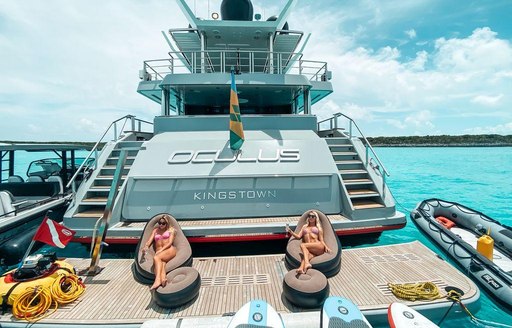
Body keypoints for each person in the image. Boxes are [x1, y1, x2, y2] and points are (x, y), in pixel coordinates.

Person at [141, 214, 177, 290]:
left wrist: (161, 250)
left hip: (169, 250)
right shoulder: (155, 231)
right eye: (159, 223)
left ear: (167, 223)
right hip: (161, 253)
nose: (161, 225)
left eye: (163, 223)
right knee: (162, 263)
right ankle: (163, 279)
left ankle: (157, 280)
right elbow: (149, 241)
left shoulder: (171, 230)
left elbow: (170, 243)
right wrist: (146, 246)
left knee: (156, 257)